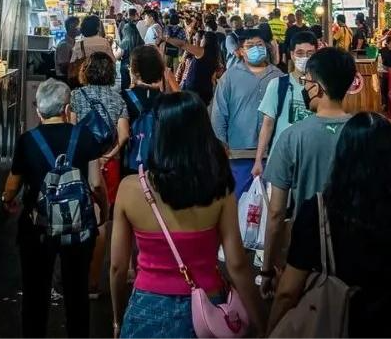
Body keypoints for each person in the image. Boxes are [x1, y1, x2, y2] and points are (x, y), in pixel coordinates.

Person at [267, 113, 391, 338]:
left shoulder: (317, 213)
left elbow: (287, 292)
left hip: (333, 328)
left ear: (342, 156)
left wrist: (270, 330)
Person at [110, 92, 265, 339]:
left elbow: (118, 267)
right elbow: (236, 264)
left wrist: (118, 318)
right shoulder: (219, 187)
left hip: (147, 309)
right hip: (207, 312)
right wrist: (260, 322)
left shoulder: (130, 189)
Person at [3, 78, 106, 339]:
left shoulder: (27, 140)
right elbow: (96, 183)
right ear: (66, 108)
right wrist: (103, 209)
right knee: (77, 294)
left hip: (37, 229)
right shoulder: (83, 136)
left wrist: (7, 199)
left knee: (35, 294)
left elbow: (13, 184)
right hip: (78, 229)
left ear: (39, 110)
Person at [260, 47, 355, 299]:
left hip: (309, 255)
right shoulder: (365, 132)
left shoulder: (292, 137)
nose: (305, 87)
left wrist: (267, 269)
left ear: (319, 86)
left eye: (307, 81)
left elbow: (277, 213)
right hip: (360, 248)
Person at [71, 53, 130, 298]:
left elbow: (73, 131)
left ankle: (74, 275)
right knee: (102, 221)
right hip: (109, 164)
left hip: (82, 163)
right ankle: (94, 282)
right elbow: (124, 135)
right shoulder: (118, 99)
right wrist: (108, 156)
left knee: (77, 216)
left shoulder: (75, 96)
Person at [211, 32, 281, 197]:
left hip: (270, 153)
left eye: (260, 45)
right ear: (241, 51)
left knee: (267, 204)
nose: (256, 49)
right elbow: (219, 112)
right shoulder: (230, 77)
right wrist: (221, 143)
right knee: (238, 201)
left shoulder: (278, 76)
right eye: (250, 46)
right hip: (237, 151)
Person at [252, 33, 317, 178]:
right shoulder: (278, 85)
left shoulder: (323, 89)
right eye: (300, 53)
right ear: (292, 54)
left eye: (310, 53)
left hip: (311, 163)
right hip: (280, 161)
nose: (305, 58)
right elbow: (267, 125)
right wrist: (258, 160)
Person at [174, 22, 222, 106]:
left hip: (194, 90)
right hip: (205, 90)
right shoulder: (214, 55)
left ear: (206, 41)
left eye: (201, 39)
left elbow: (182, 46)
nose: (197, 41)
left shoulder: (201, 53)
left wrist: (166, 38)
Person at [70, 14, 116, 80]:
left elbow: (73, 62)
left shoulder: (79, 44)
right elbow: (112, 60)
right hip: (101, 77)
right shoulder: (104, 42)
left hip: (84, 78)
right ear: (97, 28)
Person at [116, 9, 144, 90]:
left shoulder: (125, 42)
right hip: (137, 65)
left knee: (125, 85)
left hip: (126, 64)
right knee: (135, 86)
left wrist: (115, 49)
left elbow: (117, 56)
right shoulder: (141, 41)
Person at [56, 15, 80, 82]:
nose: (79, 28)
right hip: (65, 80)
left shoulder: (73, 43)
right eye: (77, 26)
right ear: (71, 27)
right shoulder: (64, 45)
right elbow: (63, 68)